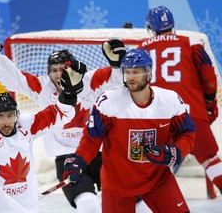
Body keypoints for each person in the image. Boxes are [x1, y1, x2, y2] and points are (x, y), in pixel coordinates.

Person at [0, 33, 126, 212]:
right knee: (89, 206)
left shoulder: (91, 80)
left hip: (100, 153)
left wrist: (117, 64)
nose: (58, 75)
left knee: (130, 200)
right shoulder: (42, 87)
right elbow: (15, 79)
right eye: (54, 70)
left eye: (63, 69)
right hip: (68, 159)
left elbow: (120, 79)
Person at [63, 49, 196, 213]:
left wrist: (175, 152)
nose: (131, 77)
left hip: (157, 179)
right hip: (117, 184)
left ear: (149, 73)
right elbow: (91, 140)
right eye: (128, 72)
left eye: (136, 72)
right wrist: (79, 161)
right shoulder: (108, 102)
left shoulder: (169, 100)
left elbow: (187, 133)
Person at [0, 62, 85, 213]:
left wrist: (68, 94)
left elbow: (57, 113)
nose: (6, 122)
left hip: (27, 208)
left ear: (16, 115)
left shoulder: (26, 126)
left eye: (10, 116)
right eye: (0, 117)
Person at [138, 5, 221, 198]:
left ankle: (144, 204)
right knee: (209, 158)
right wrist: (209, 104)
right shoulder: (191, 43)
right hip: (190, 113)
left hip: (156, 117)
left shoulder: (142, 48)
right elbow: (209, 79)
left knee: (150, 163)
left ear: (150, 27)